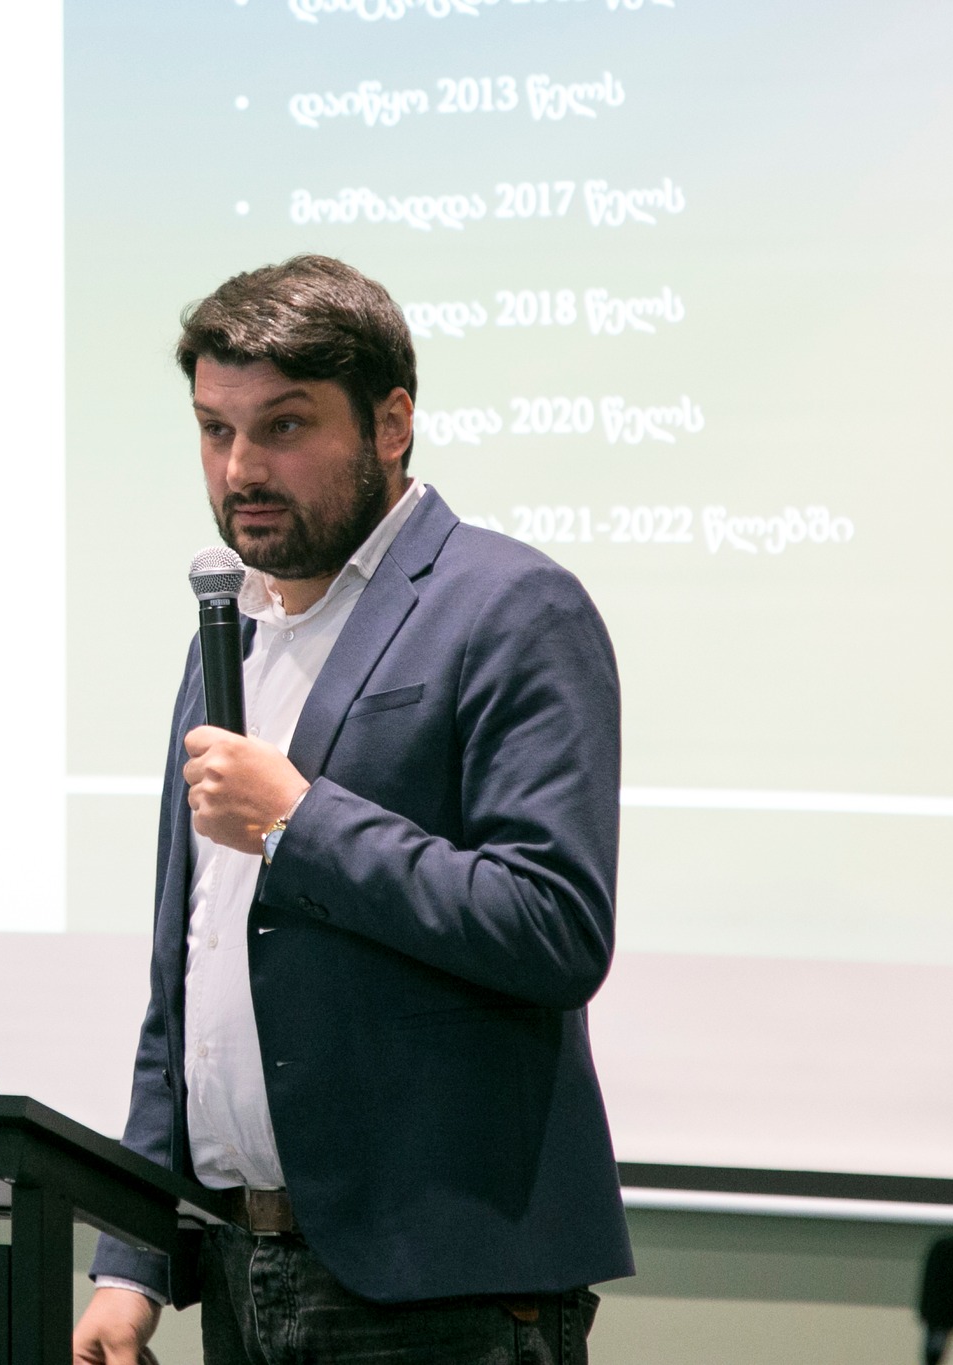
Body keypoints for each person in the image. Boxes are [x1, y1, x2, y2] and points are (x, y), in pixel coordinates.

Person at [74, 256, 633, 1365]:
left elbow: (554, 925)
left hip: (440, 1291)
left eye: (282, 426)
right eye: (215, 430)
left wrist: (301, 823)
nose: (241, 468)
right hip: (240, 1270)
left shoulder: (509, 607)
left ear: (390, 423)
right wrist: (133, 1261)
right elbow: (192, 972)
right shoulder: (224, 635)